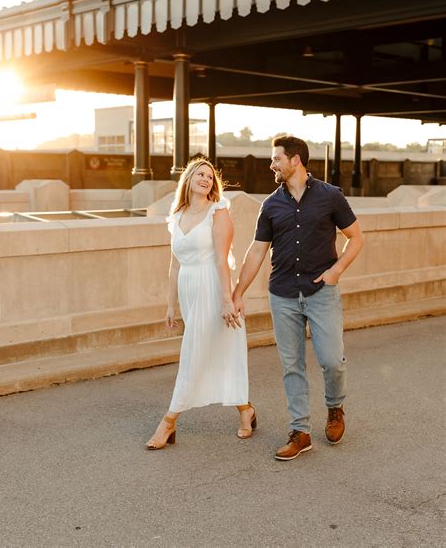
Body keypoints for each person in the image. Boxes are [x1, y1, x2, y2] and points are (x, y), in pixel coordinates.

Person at [233, 135, 364, 461]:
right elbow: (256, 251)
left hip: (322, 292)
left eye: (276, 158)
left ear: (295, 160)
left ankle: (335, 408)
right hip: (283, 295)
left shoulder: (330, 196)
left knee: (332, 360)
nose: (272, 164)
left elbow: (357, 238)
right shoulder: (271, 205)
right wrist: (237, 293)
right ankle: (300, 431)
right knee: (292, 366)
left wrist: (336, 271)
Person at [146, 158, 256, 450]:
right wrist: (171, 306)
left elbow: (222, 260)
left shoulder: (218, 212)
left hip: (211, 285)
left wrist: (226, 300)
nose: (206, 178)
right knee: (214, 350)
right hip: (188, 289)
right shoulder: (178, 215)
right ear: (189, 178)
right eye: (200, 174)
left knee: (195, 352)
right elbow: (174, 265)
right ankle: (246, 410)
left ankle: (168, 422)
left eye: (210, 176)